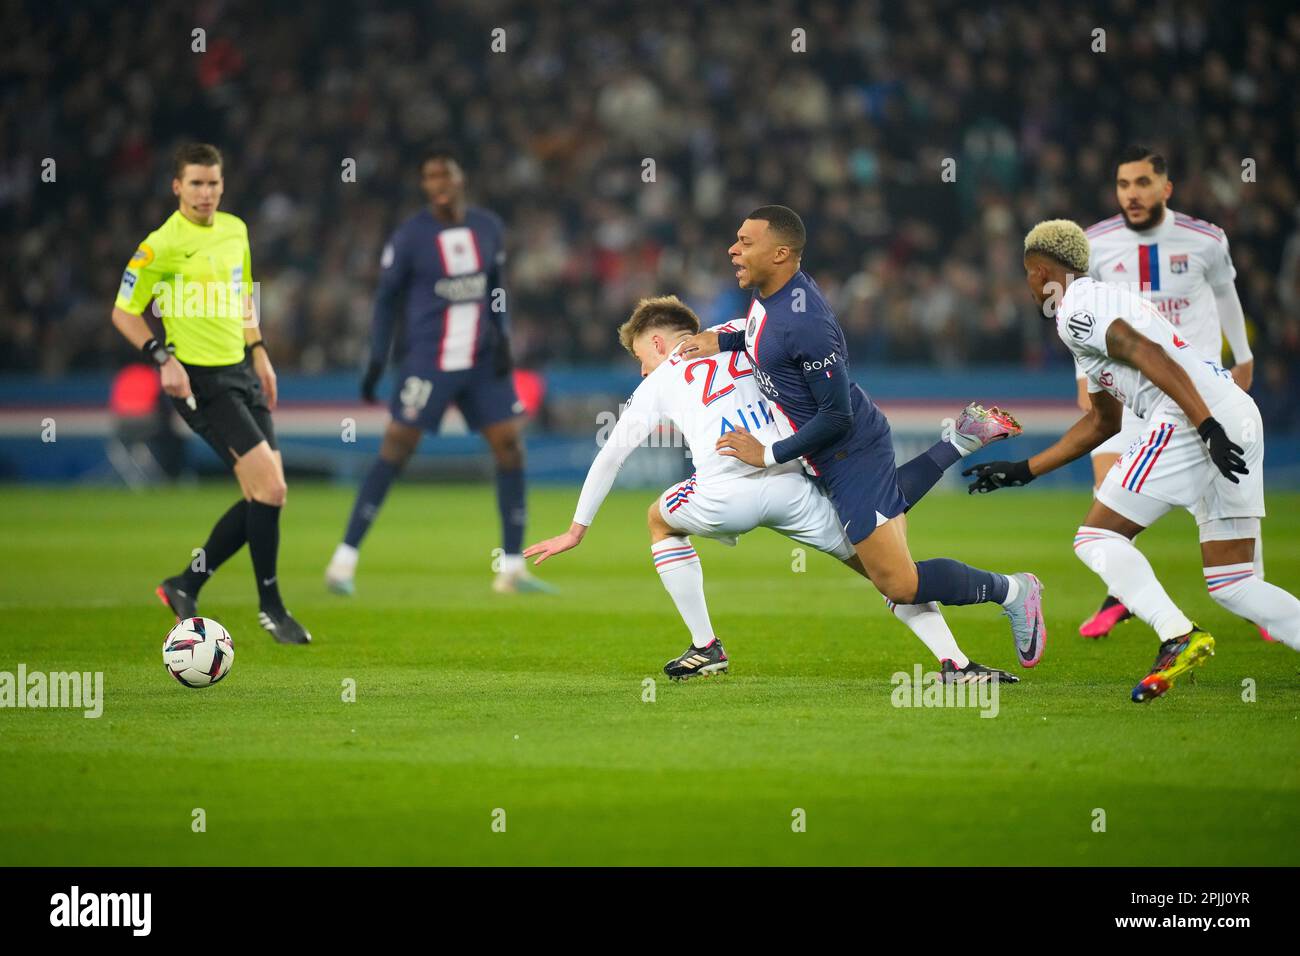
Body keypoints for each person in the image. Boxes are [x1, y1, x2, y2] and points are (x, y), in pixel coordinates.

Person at [524, 295, 1024, 681]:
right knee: (886, 571)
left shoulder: (657, 381)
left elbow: (611, 454)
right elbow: (801, 335)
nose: (641, 369)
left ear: (658, 343)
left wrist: (576, 529)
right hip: (793, 482)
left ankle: (707, 647)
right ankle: (957, 663)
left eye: (640, 357)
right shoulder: (749, 333)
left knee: (659, 518)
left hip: (725, 492)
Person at [679, 206, 1046, 667]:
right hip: (831, 454)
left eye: (745, 243)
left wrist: (768, 453)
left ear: (781, 254)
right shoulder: (771, 296)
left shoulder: (807, 322)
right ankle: (959, 441)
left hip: (850, 451)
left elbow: (837, 415)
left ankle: (1014, 590)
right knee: (886, 526)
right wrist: (724, 343)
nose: (733, 249)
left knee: (898, 583)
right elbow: (764, 339)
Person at [966, 219, 1299, 703]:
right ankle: (1183, 634)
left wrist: (1205, 428)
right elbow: (1103, 422)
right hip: (1234, 413)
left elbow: (1149, 354)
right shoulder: (1095, 307)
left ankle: (1176, 635)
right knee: (1235, 583)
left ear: (1040, 272)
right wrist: (1024, 470)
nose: (1028, 286)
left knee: (1095, 537)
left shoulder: (1076, 309)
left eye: (1027, 275)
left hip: (1192, 417)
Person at [325, 148, 549, 595]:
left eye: (445, 174)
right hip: (430, 360)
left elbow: (497, 288)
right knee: (396, 447)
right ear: (424, 186)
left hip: (483, 360)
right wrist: (375, 359)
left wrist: (504, 338)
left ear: (460, 178)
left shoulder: (488, 227)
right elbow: (386, 300)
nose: (439, 183)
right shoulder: (410, 236)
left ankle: (511, 569)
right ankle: (343, 562)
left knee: (510, 447)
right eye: (430, 177)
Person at [111, 143, 310, 643]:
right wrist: (162, 357)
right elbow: (123, 311)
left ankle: (186, 584)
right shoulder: (160, 245)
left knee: (265, 495)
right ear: (177, 186)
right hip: (200, 382)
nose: (206, 193)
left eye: (213, 183)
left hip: (242, 371)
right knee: (272, 490)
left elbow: (243, 294)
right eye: (196, 183)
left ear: (223, 185)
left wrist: (260, 351)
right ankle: (272, 608)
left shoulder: (235, 230)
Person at [1074, 146, 1262, 639]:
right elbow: (1085, 316)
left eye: (1141, 183)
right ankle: (1122, 594)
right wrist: (1084, 382)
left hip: (1192, 391)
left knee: (1217, 494)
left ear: (1166, 188)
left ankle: (1255, 595)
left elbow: (1226, 295)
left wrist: (1241, 356)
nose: (1131, 195)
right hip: (1131, 390)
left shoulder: (1205, 240)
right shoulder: (1096, 243)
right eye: (1122, 185)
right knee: (1106, 485)